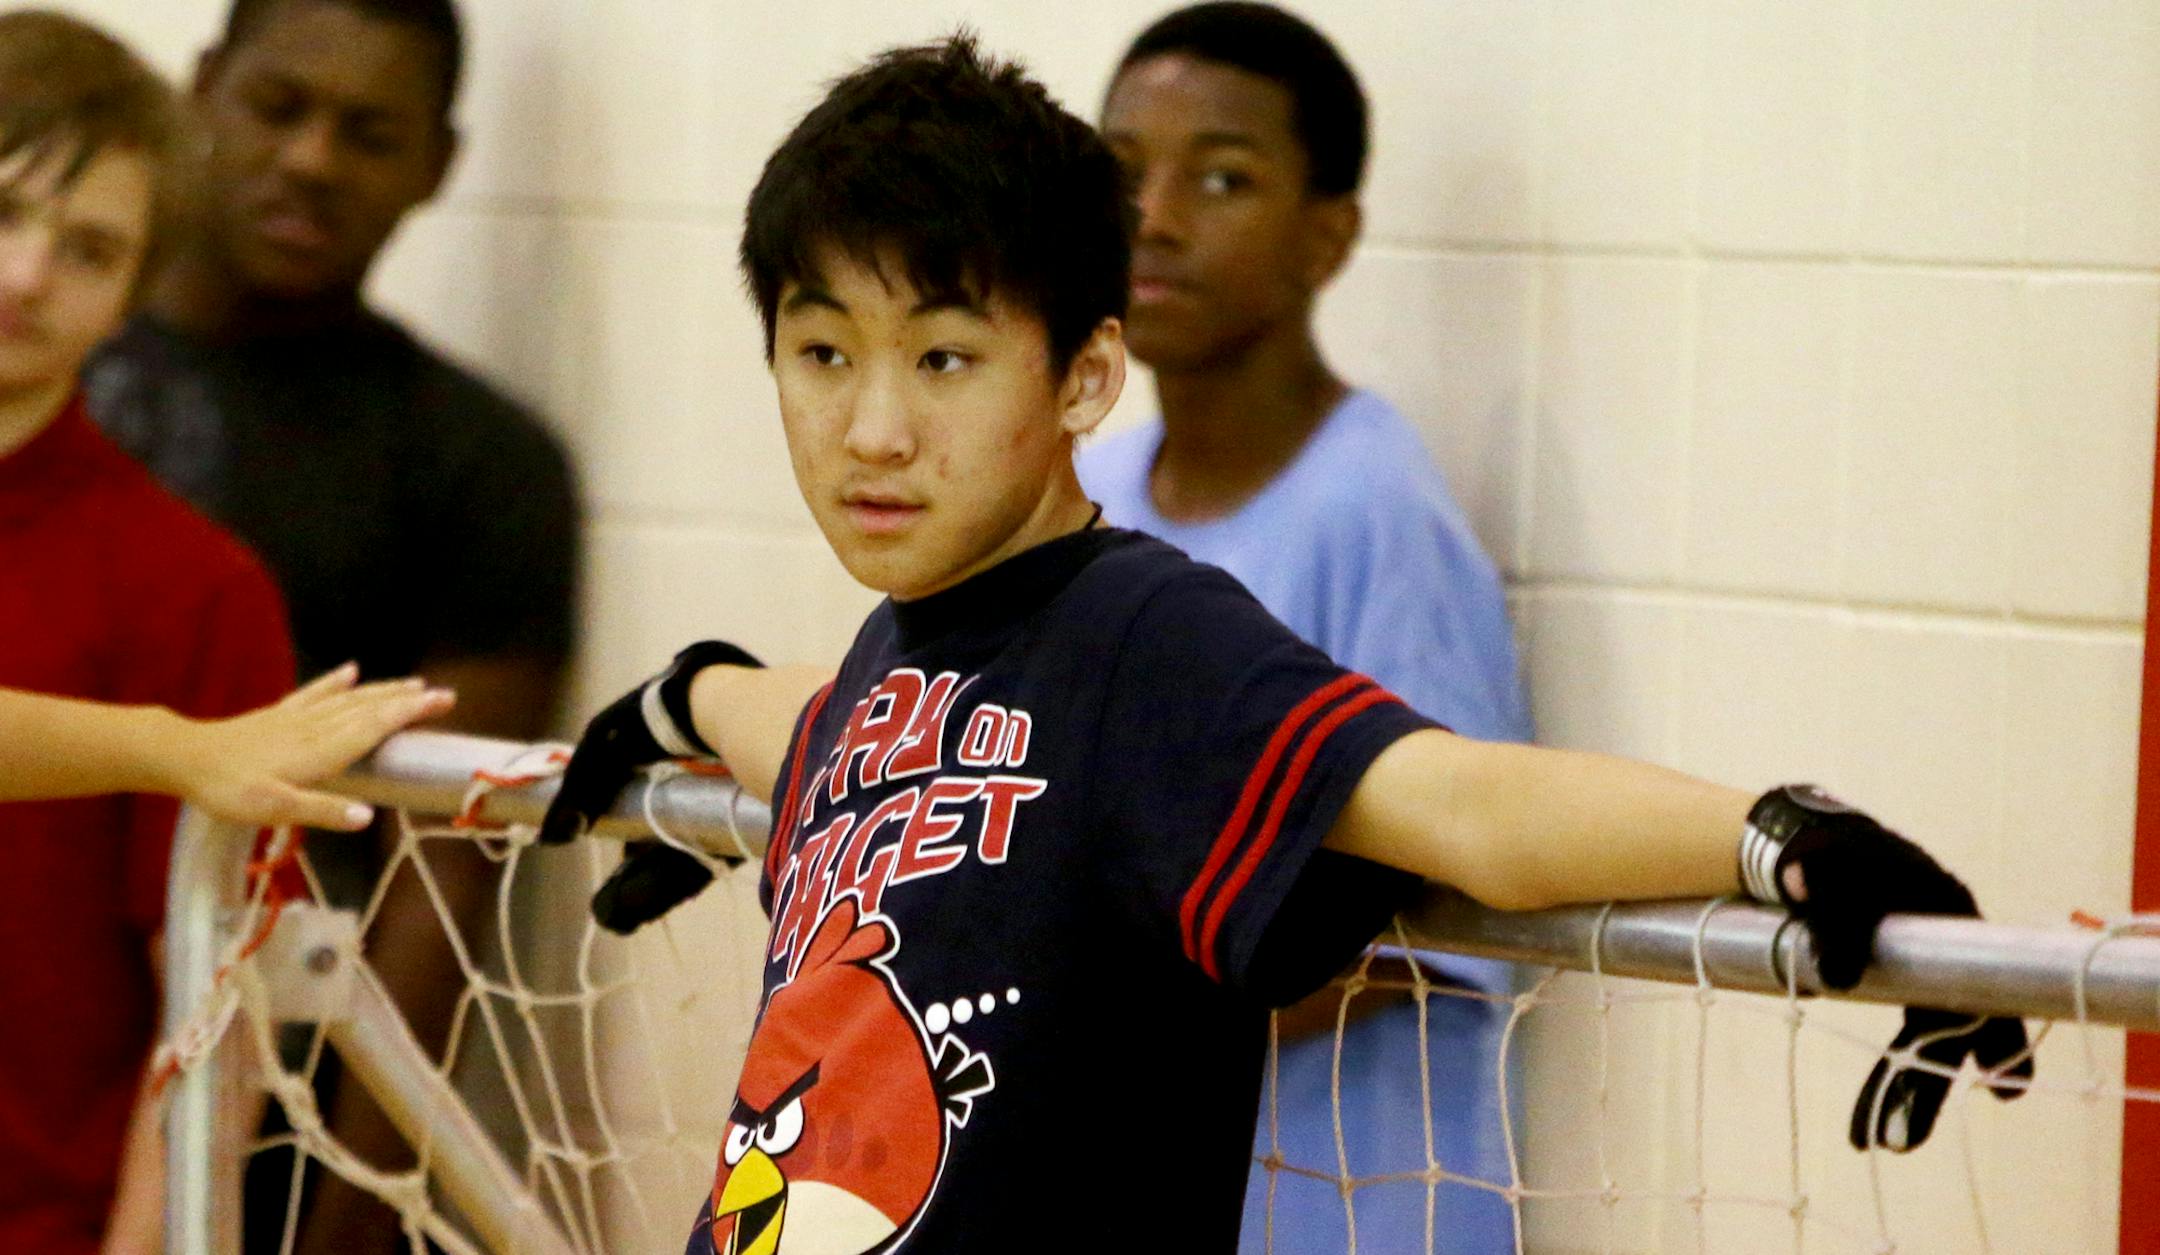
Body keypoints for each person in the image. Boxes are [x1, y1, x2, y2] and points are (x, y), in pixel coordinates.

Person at [537, 36, 2032, 1253]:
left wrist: (1784, 835)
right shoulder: (893, 652)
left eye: (944, 357)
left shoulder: (1145, 631)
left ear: (1083, 376)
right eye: (820, 353)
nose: (871, 425)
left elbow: (1462, 801)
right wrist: (686, 693)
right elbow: (812, 719)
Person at [79, 0, 579, 1247]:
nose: (311, 160)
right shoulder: (49, 378)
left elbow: (445, 865)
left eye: (368, 132)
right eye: (279, 107)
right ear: (204, 89)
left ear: (437, 166)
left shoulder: (476, 461)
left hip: (266, 1095)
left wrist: (354, 1214)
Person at [1080, 5, 1527, 1246]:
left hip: (1343, 1213)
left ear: (1329, 234)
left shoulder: (1377, 515)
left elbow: (1451, 924)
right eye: (1121, 172)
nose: (1154, 216)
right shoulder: (1090, 499)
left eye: (1222, 177)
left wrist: (1108, 1010)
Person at [0, 14, 443, 1253]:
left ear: (134, 294)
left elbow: (216, 1016)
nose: (29, 276)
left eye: (87, 248)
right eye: (3, 214)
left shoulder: (193, 588)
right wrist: (163, 744)